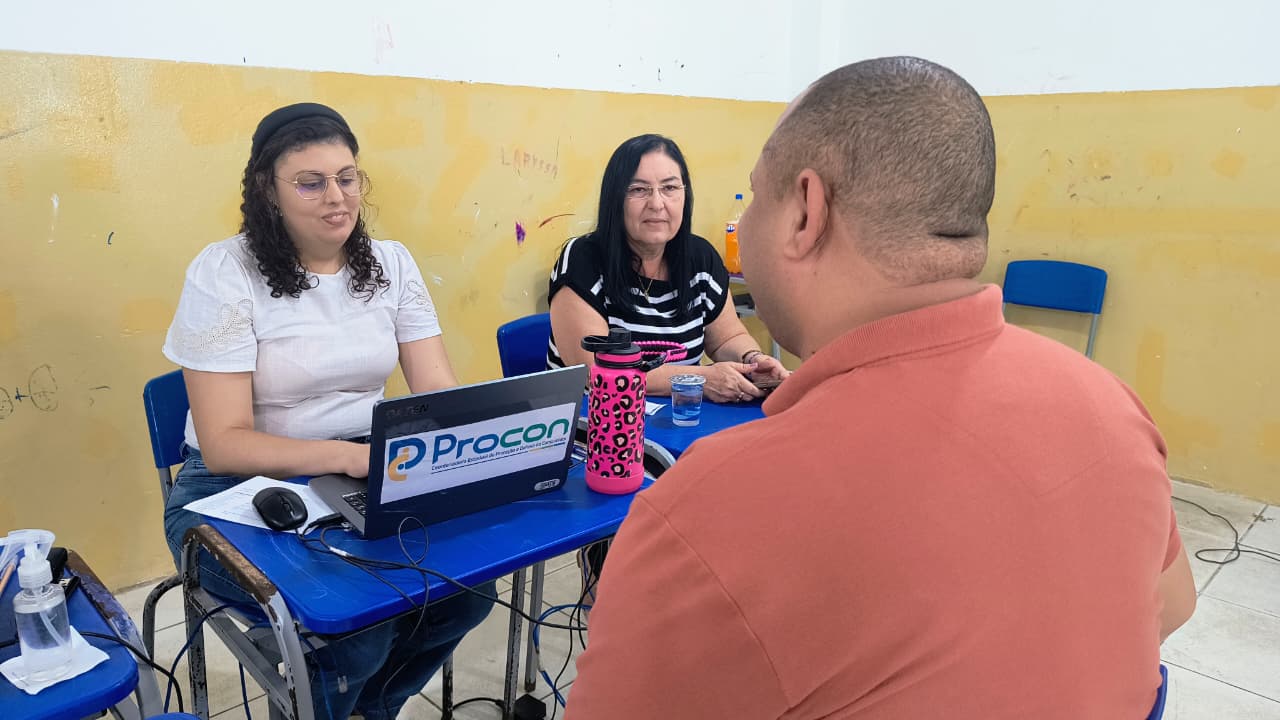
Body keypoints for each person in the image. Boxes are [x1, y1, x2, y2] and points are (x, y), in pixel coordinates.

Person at [566, 58, 1196, 719]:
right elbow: (1172, 608)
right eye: (643, 190)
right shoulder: (1114, 406)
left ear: (806, 212)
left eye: (752, 198)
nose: (737, 226)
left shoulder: (705, 509)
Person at [161, 103, 493, 720]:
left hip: (364, 468)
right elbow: (225, 443)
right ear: (269, 191)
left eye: (346, 178)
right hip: (229, 492)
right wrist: (350, 457)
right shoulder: (226, 272)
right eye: (310, 183)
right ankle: (331, 682)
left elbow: (437, 392)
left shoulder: (390, 264)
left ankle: (366, 706)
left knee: (467, 595)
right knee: (359, 627)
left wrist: (481, 440)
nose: (337, 198)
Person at [547, 133, 788, 403]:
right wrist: (700, 379)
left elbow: (726, 338)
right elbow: (597, 372)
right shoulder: (582, 260)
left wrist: (753, 361)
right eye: (639, 190)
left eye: (670, 188)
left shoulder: (700, 258)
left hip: (681, 418)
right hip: (596, 420)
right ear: (615, 199)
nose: (657, 204)